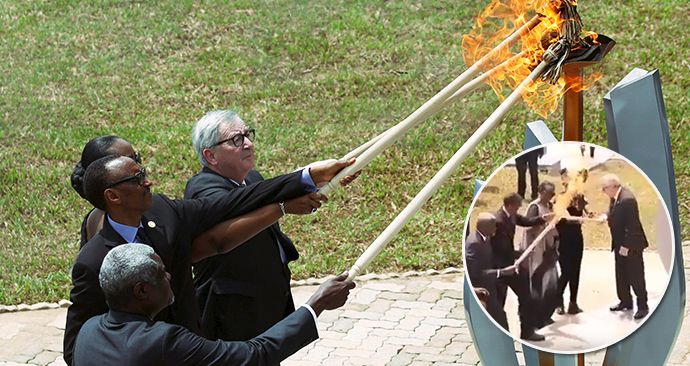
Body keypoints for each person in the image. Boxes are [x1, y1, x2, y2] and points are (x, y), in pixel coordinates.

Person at [63, 154, 352, 365]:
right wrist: (317, 305)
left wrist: (307, 176)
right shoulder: (92, 262)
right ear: (113, 196)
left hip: (194, 347)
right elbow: (73, 348)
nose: (148, 181)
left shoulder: (164, 213)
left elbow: (230, 204)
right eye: (137, 179)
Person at [184, 110, 357, 341]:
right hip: (230, 314)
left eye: (247, 135)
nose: (247, 144)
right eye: (236, 140)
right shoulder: (204, 189)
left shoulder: (252, 178)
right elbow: (255, 207)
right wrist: (287, 202)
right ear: (211, 155)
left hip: (265, 304)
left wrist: (323, 181)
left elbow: (267, 197)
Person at [73, 243, 355, 366]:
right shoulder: (162, 340)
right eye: (161, 274)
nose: (169, 276)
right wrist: (315, 304)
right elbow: (253, 355)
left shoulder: (89, 332)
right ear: (141, 291)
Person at [493, 192, 548, 341]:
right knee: (499, 302)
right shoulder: (498, 221)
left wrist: (541, 219)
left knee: (526, 296)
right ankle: (499, 333)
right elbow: (501, 248)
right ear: (510, 205)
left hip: (510, 266)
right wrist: (520, 254)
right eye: (517, 206)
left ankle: (527, 331)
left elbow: (524, 221)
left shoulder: (511, 215)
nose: (519, 209)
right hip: (500, 269)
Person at [71, 136, 142, 246]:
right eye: (131, 161)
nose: (139, 167)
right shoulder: (109, 228)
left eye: (137, 158)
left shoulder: (115, 212)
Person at [599, 174, 649, 320]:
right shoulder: (615, 197)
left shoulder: (627, 200)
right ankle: (625, 301)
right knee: (621, 274)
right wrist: (605, 216)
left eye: (604, 188)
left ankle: (642, 306)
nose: (603, 192)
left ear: (613, 186)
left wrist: (626, 247)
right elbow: (613, 211)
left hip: (631, 245)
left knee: (635, 275)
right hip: (619, 243)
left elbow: (632, 227)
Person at [465, 212, 516, 330]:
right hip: (482, 289)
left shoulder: (486, 238)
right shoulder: (473, 244)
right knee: (499, 318)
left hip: (491, 284)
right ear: (485, 227)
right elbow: (476, 273)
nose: (496, 228)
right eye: (494, 225)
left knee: (499, 317)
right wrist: (502, 272)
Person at [521, 181, 559, 329]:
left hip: (549, 251)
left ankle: (546, 315)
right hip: (537, 253)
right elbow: (529, 228)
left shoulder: (549, 207)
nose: (551, 196)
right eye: (549, 193)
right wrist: (542, 225)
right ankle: (536, 320)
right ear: (541, 192)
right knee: (537, 286)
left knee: (550, 286)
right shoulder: (534, 207)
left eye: (553, 193)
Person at [555, 168, 586, 315]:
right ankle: (557, 301)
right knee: (566, 271)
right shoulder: (558, 198)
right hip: (563, 240)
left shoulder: (579, 197)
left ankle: (573, 303)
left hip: (577, 239)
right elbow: (560, 217)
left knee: (576, 271)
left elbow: (584, 213)